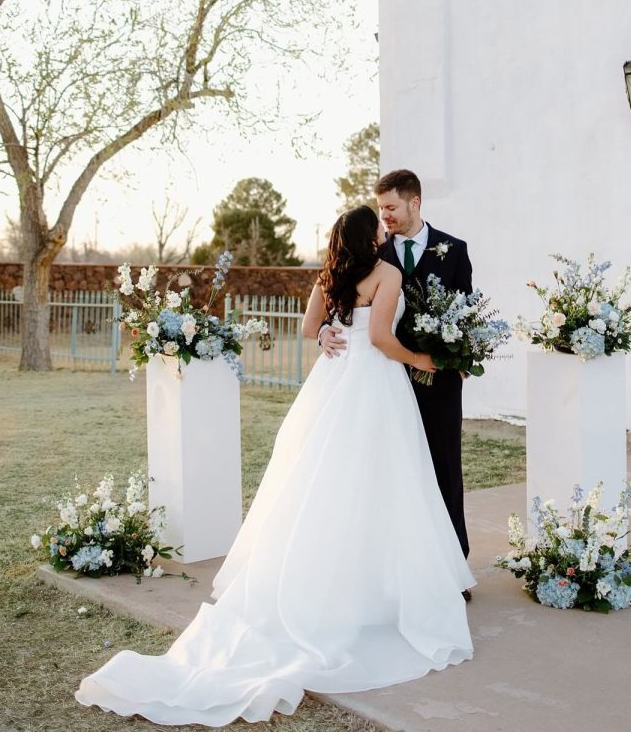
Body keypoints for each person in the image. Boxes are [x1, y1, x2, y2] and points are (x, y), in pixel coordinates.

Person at [76, 205, 474, 727]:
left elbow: (314, 325)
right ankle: (380, 593)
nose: (384, 227)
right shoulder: (388, 273)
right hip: (376, 386)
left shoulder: (329, 276)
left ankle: (333, 586)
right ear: (367, 235)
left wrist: (328, 333)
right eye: (377, 225)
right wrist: (424, 360)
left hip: (333, 387)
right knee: (386, 484)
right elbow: (379, 338)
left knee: (325, 484)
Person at [318, 170, 473, 566]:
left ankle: (452, 564)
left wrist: (461, 358)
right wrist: (323, 329)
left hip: (438, 381)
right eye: (380, 208)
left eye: (390, 206)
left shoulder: (454, 250)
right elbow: (338, 296)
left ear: (414, 202)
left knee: (443, 469)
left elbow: (466, 312)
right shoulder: (373, 254)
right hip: (383, 381)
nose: (384, 215)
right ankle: (397, 566)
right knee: (389, 473)